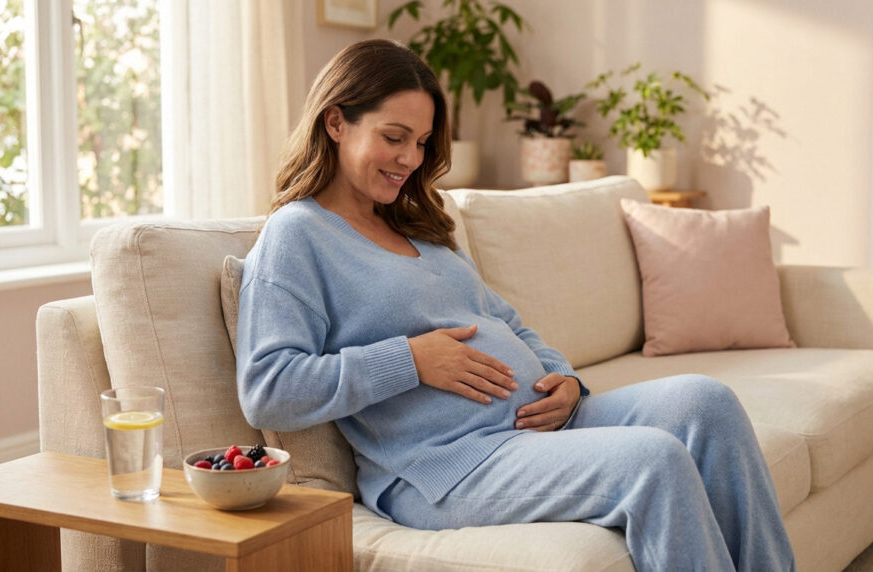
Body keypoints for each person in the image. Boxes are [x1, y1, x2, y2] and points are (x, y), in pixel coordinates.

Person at [236, 38, 795, 571]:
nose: (410, 158)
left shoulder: (417, 225)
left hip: (539, 428)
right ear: (336, 122)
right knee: (653, 460)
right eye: (394, 137)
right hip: (447, 465)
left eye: (422, 142)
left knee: (707, 402)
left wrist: (562, 377)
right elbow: (268, 389)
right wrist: (411, 359)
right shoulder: (298, 235)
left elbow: (504, 322)